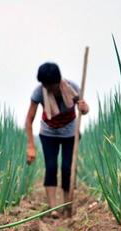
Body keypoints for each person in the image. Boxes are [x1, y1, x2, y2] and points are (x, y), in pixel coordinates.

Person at [25, 62, 89, 217]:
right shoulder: (39, 92)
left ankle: (68, 206)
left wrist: (83, 108)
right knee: (51, 167)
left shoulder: (72, 87)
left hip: (70, 133)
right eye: (45, 85)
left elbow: (85, 109)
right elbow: (29, 120)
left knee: (67, 168)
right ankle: (53, 209)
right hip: (48, 133)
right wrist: (31, 146)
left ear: (58, 81)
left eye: (51, 86)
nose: (49, 89)